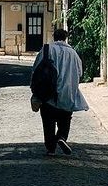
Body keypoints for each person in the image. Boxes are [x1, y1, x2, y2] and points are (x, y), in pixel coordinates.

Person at [31, 27, 88, 156]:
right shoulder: (73, 53)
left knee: (48, 121)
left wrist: (34, 90)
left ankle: (51, 148)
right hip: (68, 93)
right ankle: (61, 137)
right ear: (65, 38)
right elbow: (80, 72)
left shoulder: (47, 50)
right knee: (65, 118)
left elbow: (36, 70)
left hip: (48, 93)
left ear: (54, 37)